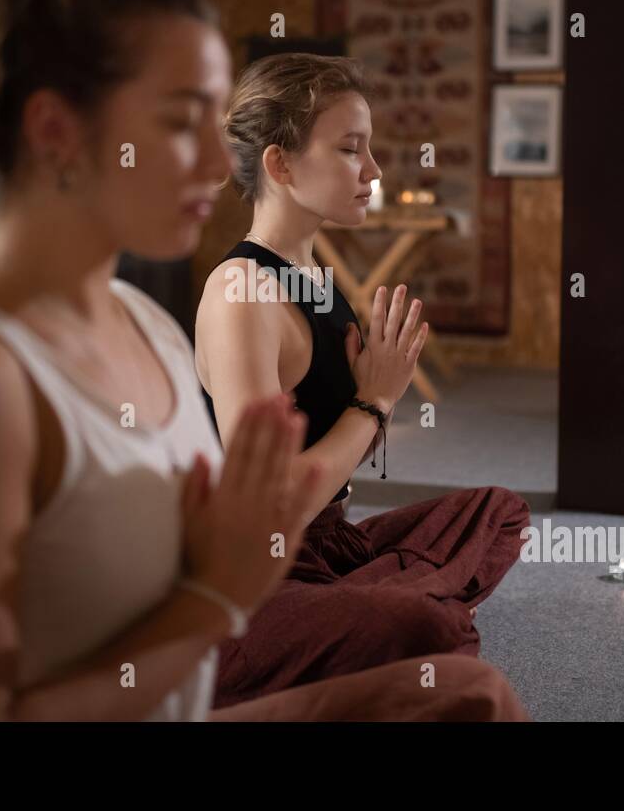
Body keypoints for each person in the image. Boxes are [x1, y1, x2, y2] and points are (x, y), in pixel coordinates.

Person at [0, 0, 528, 722]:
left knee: (467, 691)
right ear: (57, 131)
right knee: (449, 673)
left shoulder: (146, 325)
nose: (218, 162)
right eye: (180, 121)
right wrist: (217, 598)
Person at [195, 53, 532, 708]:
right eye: (352, 150)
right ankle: (374, 618)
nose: (374, 171)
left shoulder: (314, 273)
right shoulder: (241, 295)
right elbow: (272, 508)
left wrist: (364, 397)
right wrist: (373, 401)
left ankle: (360, 616)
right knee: (429, 629)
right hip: (259, 575)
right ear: (280, 165)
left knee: (499, 513)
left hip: (331, 539)